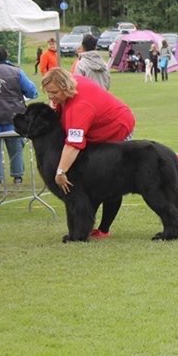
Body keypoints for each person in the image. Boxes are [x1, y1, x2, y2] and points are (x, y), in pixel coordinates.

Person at [41, 67, 136, 239]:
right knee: (89, 179)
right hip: (95, 129)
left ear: (65, 86)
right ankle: (85, 225)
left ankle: (104, 229)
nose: (51, 97)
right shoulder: (72, 83)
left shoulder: (80, 107)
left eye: (54, 92)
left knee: (111, 181)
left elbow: (73, 144)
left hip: (117, 128)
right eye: (48, 92)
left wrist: (60, 172)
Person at [0, 45, 38, 185]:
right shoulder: (17, 72)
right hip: (14, 118)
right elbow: (32, 92)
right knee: (16, 148)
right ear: (6, 56)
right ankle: (17, 177)